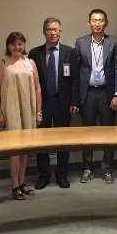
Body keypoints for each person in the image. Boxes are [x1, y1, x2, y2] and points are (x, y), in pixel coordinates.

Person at [28, 18, 79, 189]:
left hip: (62, 102)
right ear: (44, 32)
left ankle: (62, 175)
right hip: (42, 102)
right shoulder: (35, 53)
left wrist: (74, 101)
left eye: (56, 30)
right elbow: (32, 82)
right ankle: (43, 175)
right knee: (42, 141)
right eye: (49, 30)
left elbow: (75, 80)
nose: (53, 33)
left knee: (63, 140)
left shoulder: (69, 52)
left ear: (60, 32)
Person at [74, 9, 117, 184]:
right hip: (87, 94)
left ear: (106, 23)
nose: (97, 23)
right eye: (94, 20)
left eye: (101, 20)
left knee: (108, 132)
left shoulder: (114, 42)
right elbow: (76, 71)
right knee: (87, 132)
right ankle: (87, 167)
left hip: (106, 93)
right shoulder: (80, 42)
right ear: (89, 23)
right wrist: (75, 98)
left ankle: (107, 168)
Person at [0, 32, 42, 199]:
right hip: (11, 112)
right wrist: (0, 114)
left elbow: (37, 88)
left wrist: (38, 112)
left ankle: (22, 182)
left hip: (28, 111)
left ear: (24, 45)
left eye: (20, 44)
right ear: (8, 46)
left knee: (25, 150)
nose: (17, 47)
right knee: (14, 150)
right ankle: (15, 185)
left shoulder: (30, 63)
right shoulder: (3, 64)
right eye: (13, 44)